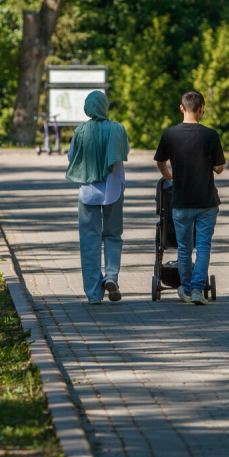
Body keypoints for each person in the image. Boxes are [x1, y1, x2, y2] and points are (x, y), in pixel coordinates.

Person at [154, 91, 226, 305]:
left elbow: (160, 161)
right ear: (202, 108)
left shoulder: (170, 134)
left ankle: (184, 288)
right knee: (203, 245)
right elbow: (219, 168)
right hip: (206, 201)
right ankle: (197, 290)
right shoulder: (210, 135)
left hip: (181, 201)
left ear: (181, 108)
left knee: (184, 247)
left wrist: (168, 175)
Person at [65, 91, 130, 304]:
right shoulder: (118, 129)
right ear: (105, 106)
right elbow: (124, 153)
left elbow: (71, 157)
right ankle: (111, 276)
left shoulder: (80, 132)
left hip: (87, 194)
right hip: (113, 191)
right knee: (113, 236)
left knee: (89, 241)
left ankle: (94, 293)